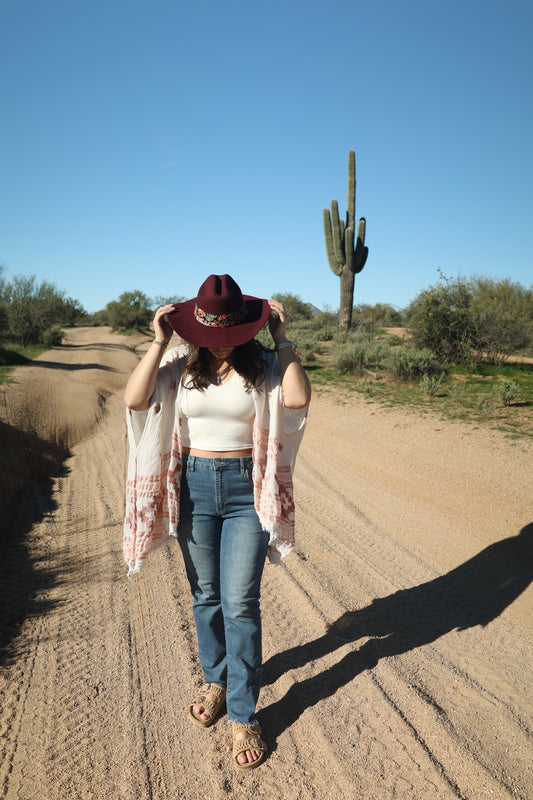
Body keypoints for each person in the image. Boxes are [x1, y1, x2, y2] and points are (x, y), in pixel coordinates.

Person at [123, 274, 311, 770]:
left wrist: (282, 339)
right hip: (195, 485)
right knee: (205, 593)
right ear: (196, 330)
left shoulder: (266, 365)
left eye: (231, 332)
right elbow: (135, 400)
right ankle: (216, 678)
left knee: (239, 602)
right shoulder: (178, 366)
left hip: (248, 487)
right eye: (212, 333)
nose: (222, 343)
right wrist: (158, 340)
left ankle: (243, 713)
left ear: (246, 329)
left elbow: (296, 400)